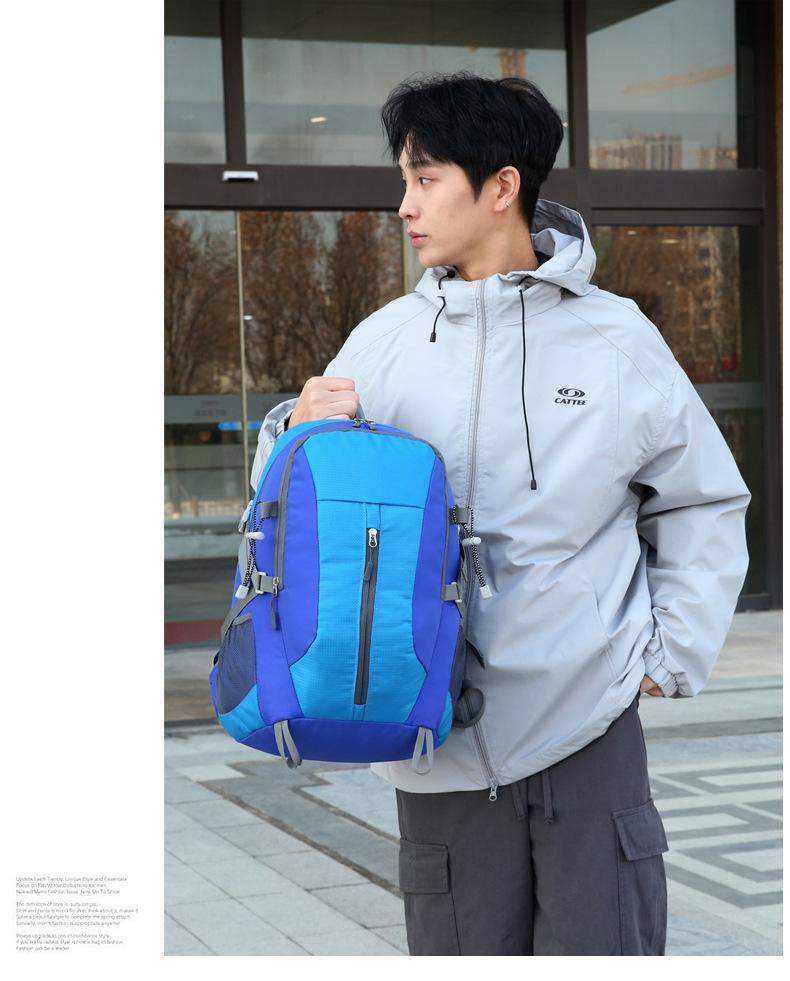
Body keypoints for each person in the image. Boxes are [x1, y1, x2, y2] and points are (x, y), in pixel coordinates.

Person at [250, 72, 750, 956]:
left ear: (502, 186)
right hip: (429, 733)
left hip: (584, 728)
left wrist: (667, 655)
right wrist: (292, 431)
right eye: (405, 180)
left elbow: (703, 498)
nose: (405, 205)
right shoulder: (382, 342)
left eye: (425, 178)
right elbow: (293, 507)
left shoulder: (617, 339)